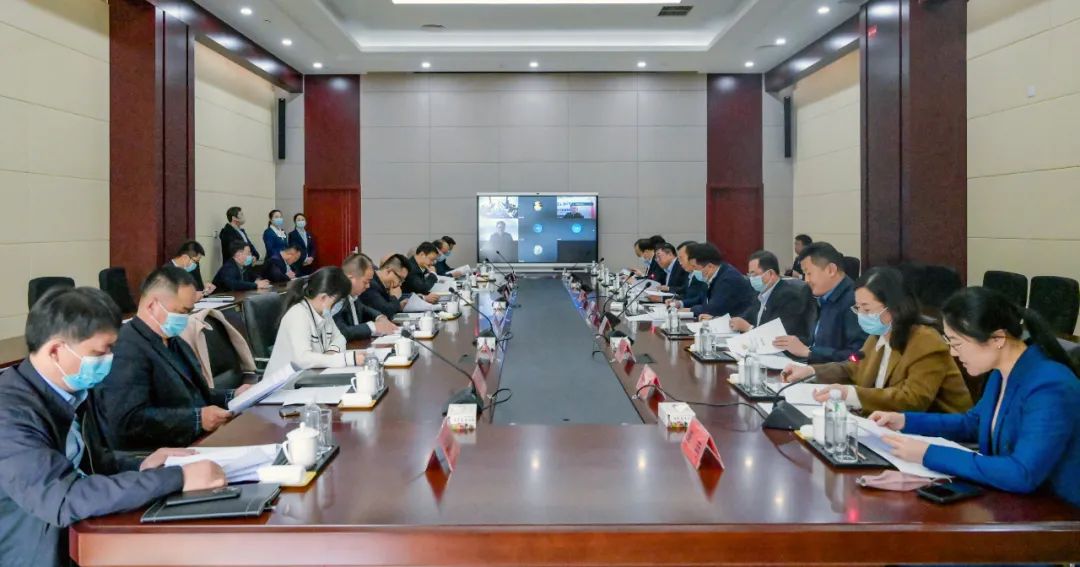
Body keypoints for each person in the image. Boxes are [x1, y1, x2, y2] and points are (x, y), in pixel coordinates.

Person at [0, 287, 225, 567]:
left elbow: (90, 463)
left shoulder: (71, 390)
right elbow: (63, 497)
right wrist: (177, 478)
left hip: (80, 536)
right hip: (36, 552)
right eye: (99, 352)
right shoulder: (9, 415)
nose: (108, 360)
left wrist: (142, 464)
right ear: (56, 351)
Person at [869, 287, 1080, 507]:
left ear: (997, 338)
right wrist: (905, 421)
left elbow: (1021, 473)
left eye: (957, 343)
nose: (953, 353)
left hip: (1058, 513)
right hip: (1011, 502)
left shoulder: (1050, 386)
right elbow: (974, 423)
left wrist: (927, 454)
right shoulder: (1002, 371)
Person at [93, 267, 249, 451]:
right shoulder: (126, 349)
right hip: (158, 453)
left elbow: (192, 396)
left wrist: (233, 395)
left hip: (196, 441)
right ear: (152, 305)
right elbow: (129, 421)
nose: (186, 318)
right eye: (182, 311)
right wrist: (197, 419)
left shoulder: (173, 341)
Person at [782, 267, 973, 414]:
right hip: (886, 427)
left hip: (937, 434)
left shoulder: (926, 340)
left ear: (895, 307)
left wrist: (851, 394)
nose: (862, 315)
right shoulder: (878, 336)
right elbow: (853, 366)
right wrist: (811, 371)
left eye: (867, 308)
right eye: (858, 308)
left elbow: (913, 400)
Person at [773, 242, 866, 362]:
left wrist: (809, 352)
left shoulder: (855, 301)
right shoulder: (821, 296)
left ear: (831, 270)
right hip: (814, 368)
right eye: (804, 274)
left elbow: (858, 356)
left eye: (809, 273)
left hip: (832, 372)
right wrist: (792, 343)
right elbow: (817, 342)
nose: (806, 280)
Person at [264, 267, 366, 376]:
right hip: (285, 382)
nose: (340, 305)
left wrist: (332, 352)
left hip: (310, 375)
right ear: (323, 298)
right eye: (338, 301)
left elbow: (340, 338)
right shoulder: (298, 314)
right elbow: (303, 359)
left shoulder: (324, 313)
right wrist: (345, 359)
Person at [731, 250, 815, 345]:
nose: (751, 278)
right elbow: (746, 317)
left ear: (770, 274)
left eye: (754, 274)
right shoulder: (759, 294)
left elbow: (780, 335)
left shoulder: (789, 296)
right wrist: (734, 322)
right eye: (749, 275)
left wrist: (749, 328)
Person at [682, 243, 755, 320]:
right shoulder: (712, 276)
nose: (694, 271)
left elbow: (712, 310)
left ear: (710, 266)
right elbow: (703, 300)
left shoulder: (728, 279)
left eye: (695, 267)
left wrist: (691, 310)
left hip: (737, 323)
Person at [335, 254, 400, 340]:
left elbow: (363, 308)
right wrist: (373, 327)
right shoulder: (335, 298)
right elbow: (342, 332)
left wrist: (379, 317)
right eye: (365, 282)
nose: (368, 286)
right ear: (350, 279)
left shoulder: (352, 296)